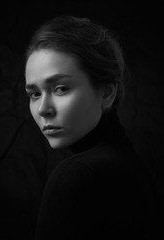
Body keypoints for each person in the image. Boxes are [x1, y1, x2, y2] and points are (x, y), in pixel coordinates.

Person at [25, 15, 157, 239]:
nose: (43, 109)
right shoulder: (131, 166)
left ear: (106, 93)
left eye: (60, 89)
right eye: (35, 94)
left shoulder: (78, 175)